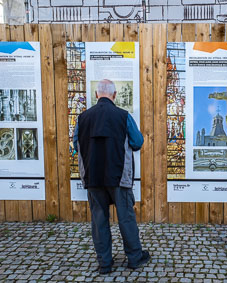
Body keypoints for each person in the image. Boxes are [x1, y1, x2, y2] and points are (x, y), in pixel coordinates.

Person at [73, 79, 150, 275]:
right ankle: (134, 258)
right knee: (126, 218)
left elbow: (76, 144)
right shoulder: (123, 116)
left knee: (99, 220)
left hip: (93, 176)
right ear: (114, 95)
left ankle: (105, 263)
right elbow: (138, 141)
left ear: (97, 95)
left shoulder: (82, 118)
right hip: (119, 176)